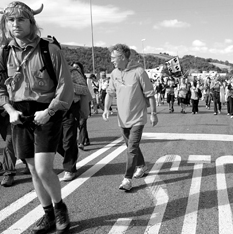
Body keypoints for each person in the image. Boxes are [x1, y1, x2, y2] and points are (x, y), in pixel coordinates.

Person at [0, 1, 74, 234]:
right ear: (5, 24)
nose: (15, 24)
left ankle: (60, 209)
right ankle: (47, 214)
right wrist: (10, 110)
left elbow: (65, 85)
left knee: (44, 168)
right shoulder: (2, 53)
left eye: (21, 19)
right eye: (11, 20)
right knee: (33, 170)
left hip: (46, 112)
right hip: (19, 115)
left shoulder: (49, 49)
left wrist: (49, 111)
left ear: (31, 22)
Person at [102, 44, 158, 191]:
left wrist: (153, 113)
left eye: (114, 57)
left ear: (122, 57)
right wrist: (106, 108)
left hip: (138, 117)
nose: (111, 60)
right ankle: (141, 166)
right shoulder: (114, 73)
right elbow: (110, 93)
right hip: (122, 118)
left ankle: (127, 179)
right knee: (131, 146)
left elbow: (150, 94)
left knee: (131, 148)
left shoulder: (139, 72)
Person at [57, 62, 90, 181]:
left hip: (70, 107)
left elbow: (84, 89)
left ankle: (69, 169)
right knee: (55, 142)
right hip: (52, 108)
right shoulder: (46, 71)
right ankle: (73, 154)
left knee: (68, 139)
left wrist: (69, 85)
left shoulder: (72, 72)